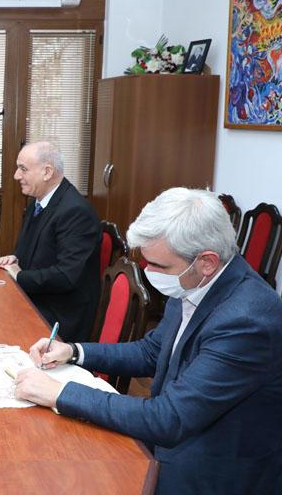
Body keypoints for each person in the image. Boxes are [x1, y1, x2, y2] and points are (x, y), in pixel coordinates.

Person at [15, 188, 282, 494]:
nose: (148, 272)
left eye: (159, 266)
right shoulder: (194, 280)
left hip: (213, 472)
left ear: (207, 262)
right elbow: (152, 351)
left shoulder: (247, 321)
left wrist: (60, 393)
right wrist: (74, 351)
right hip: (173, 441)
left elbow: (169, 418)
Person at [0, 141, 101, 342]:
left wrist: (20, 275)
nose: (16, 175)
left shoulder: (75, 212)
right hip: (37, 298)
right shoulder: (38, 202)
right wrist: (16, 259)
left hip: (58, 317)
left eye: (23, 169)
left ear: (47, 172)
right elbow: (36, 250)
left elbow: (66, 276)